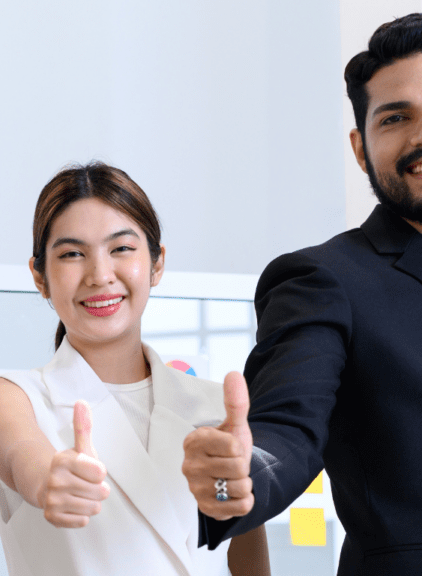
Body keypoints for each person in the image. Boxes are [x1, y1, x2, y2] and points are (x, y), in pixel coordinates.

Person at [182, 12, 422, 574]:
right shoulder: (324, 280)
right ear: (362, 149)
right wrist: (230, 482)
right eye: (395, 118)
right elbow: (284, 432)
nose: (419, 135)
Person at [0, 162, 269, 575]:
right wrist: (48, 481)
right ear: (40, 277)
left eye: (122, 249)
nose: (99, 275)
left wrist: (230, 487)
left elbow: (246, 558)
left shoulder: (216, 407)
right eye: (72, 254)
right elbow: (26, 458)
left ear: (157, 263)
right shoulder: (11, 397)